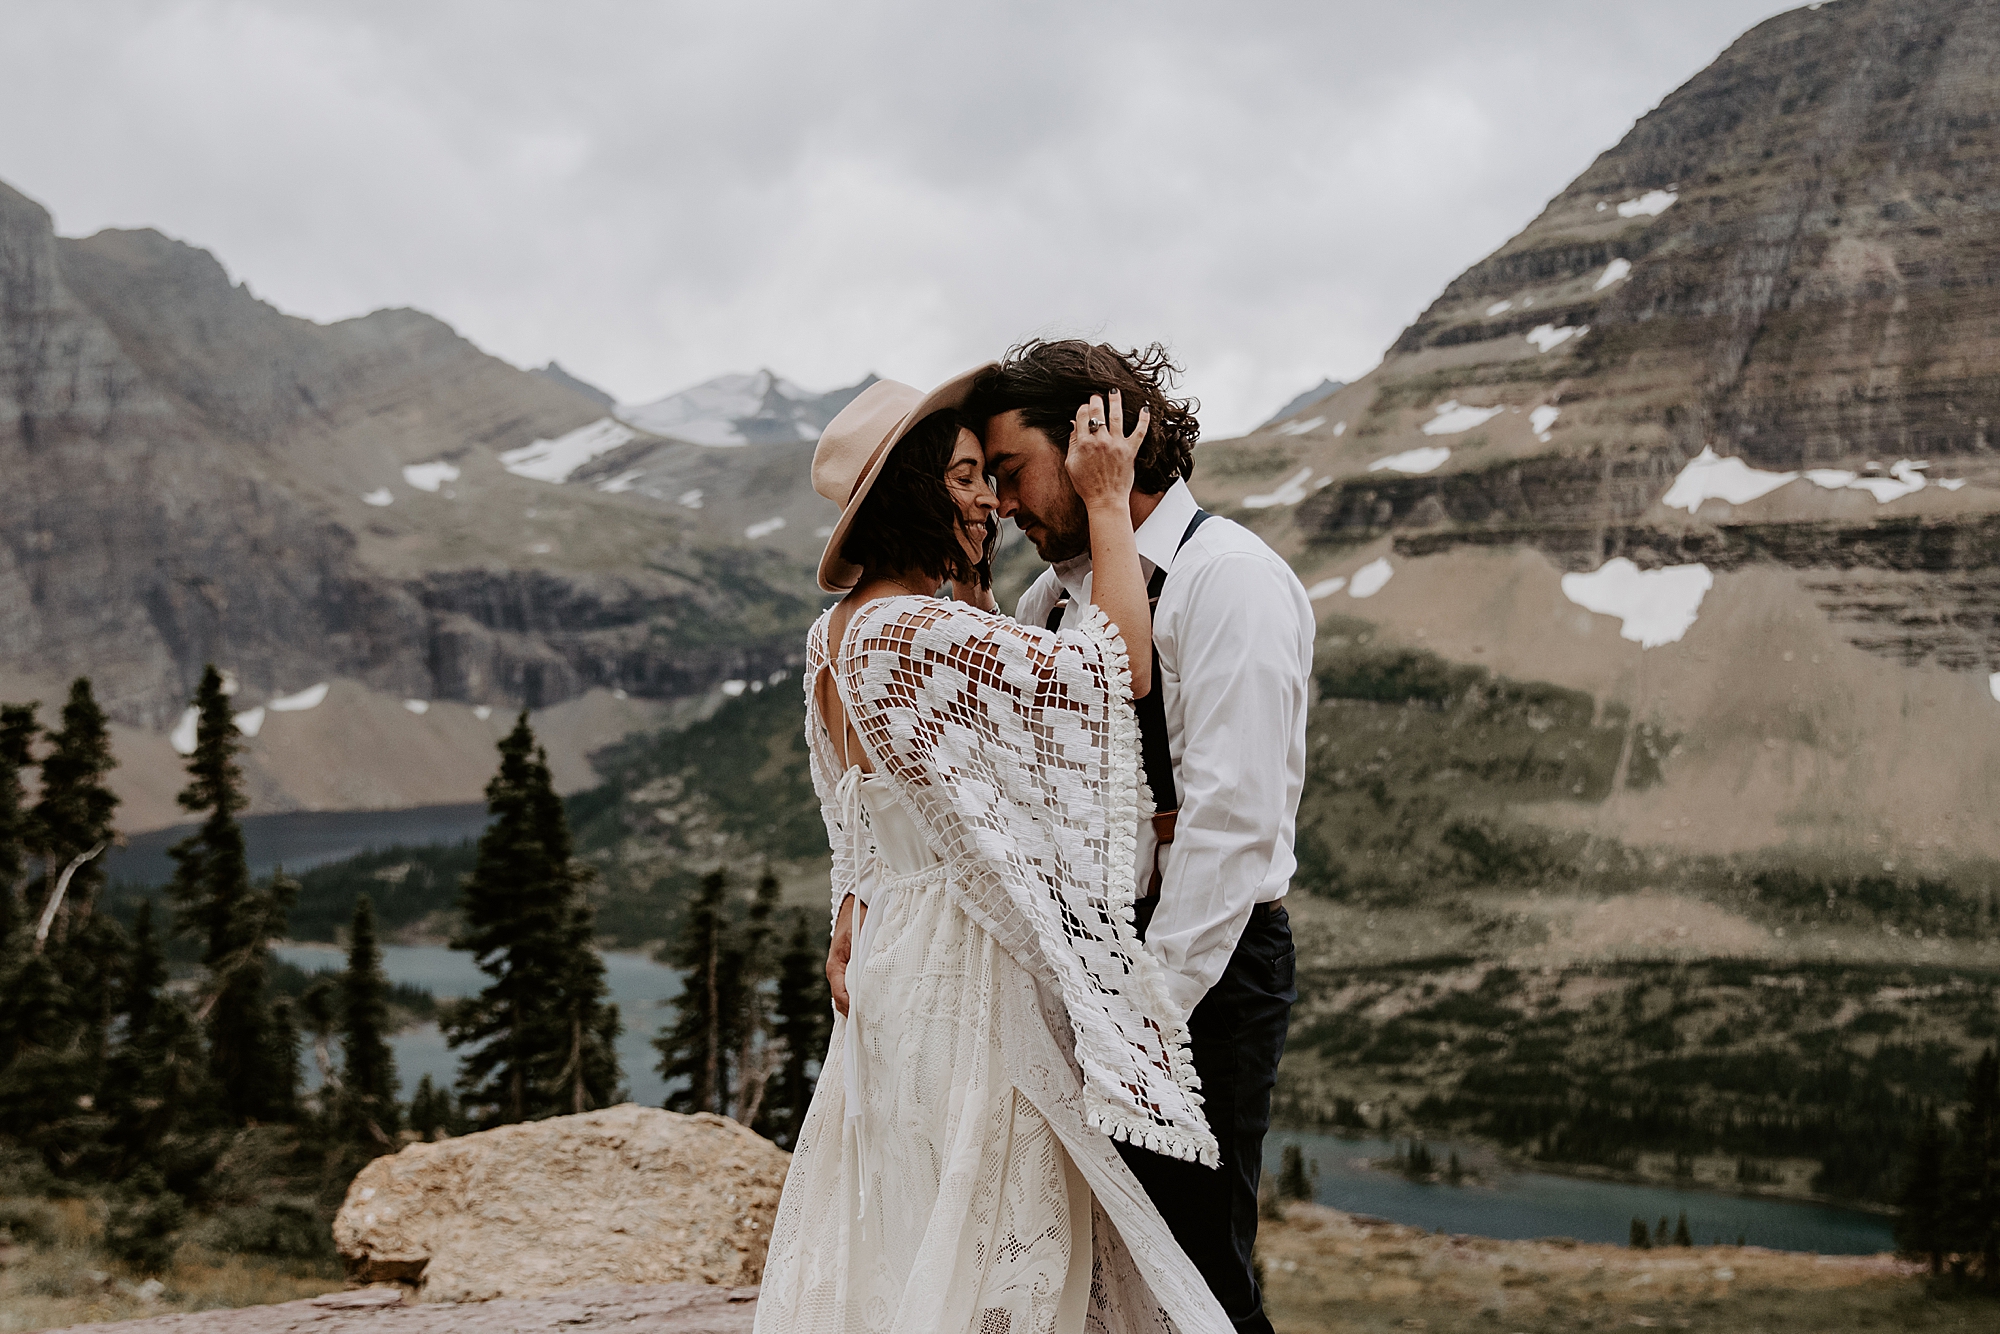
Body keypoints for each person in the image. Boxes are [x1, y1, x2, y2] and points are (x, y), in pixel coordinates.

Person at [755, 367, 1233, 1334]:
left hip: (895, 956)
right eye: (968, 476)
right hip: (966, 967)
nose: (990, 499)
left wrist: (847, 914)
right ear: (917, 492)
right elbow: (1111, 669)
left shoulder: (834, 637)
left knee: (922, 1212)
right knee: (1003, 1220)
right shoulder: (909, 628)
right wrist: (1105, 501)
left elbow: (857, 818)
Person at [964, 340, 1314, 1334]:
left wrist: (1143, 1012)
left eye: (1009, 472)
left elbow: (1233, 825)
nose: (1000, 502)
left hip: (1199, 966)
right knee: (1097, 1258)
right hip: (1097, 966)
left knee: (1194, 1265)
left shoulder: (1228, 579)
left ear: (1094, 441)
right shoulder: (1052, 599)